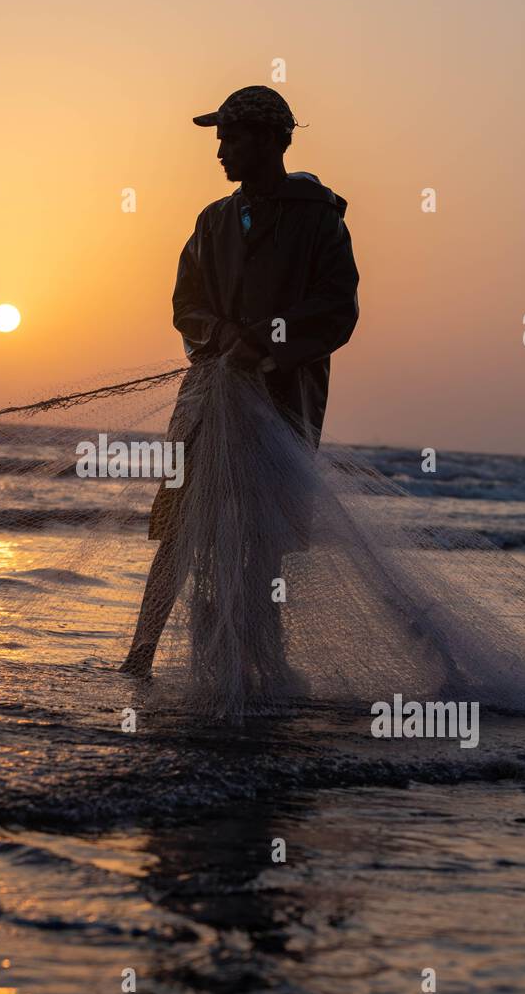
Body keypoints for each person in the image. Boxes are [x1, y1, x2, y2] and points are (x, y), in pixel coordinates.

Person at [120, 85, 360, 679]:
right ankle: (139, 657)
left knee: (263, 540)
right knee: (178, 523)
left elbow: (336, 309)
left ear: (269, 139)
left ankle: (266, 662)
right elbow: (186, 303)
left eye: (229, 136)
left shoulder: (319, 220)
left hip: (281, 405)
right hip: (205, 400)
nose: (220, 149)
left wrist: (267, 343)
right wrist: (220, 331)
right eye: (219, 137)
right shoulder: (213, 220)